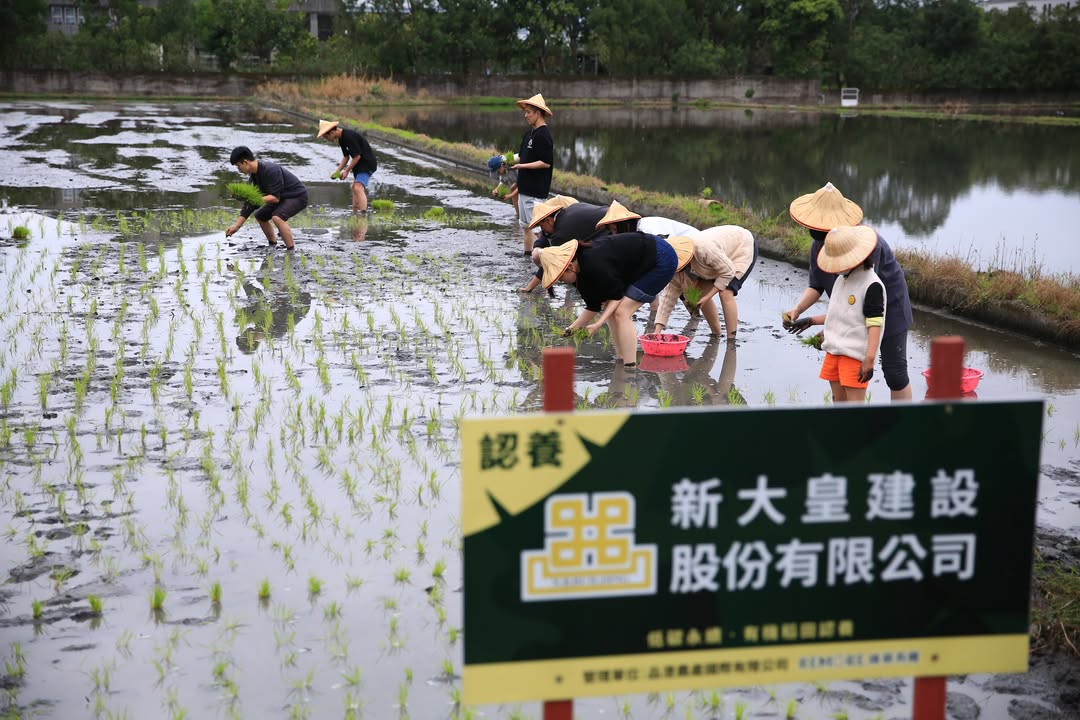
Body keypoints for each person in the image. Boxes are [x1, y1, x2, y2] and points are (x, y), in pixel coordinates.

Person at [783, 182, 913, 400]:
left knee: (894, 372)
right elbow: (817, 286)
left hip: (887, 309)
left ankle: (902, 427)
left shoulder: (867, 246)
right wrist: (798, 310)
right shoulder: (822, 246)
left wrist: (832, 328)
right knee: (842, 374)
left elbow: (866, 305)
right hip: (849, 311)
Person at [538, 230, 680, 367]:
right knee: (610, 308)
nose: (561, 282)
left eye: (561, 278)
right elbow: (594, 306)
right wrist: (572, 328)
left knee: (622, 312)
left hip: (661, 258)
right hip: (641, 261)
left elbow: (616, 297)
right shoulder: (580, 274)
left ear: (569, 267)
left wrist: (598, 324)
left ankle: (629, 367)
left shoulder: (594, 263)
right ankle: (620, 356)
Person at [793, 225, 886, 403]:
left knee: (853, 410)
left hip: (854, 356)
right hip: (835, 352)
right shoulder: (842, 281)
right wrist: (812, 321)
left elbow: (874, 323)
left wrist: (869, 359)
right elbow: (841, 314)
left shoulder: (871, 284)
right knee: (838, 404)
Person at [653, 225, 757, 340]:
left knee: (725, 292)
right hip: (718, 258)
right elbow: (668, 298)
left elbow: (728, 272)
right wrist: (657, 332)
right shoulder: (674, 267)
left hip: (741, 245)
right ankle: (716, 334)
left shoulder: (704, 249)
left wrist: (708, 296)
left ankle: (731, 339)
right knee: (699, 292)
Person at [225, 146, 308, 250]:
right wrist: (236, 226)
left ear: (245, 162)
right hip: (282, 198)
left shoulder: (270, 170)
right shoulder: (253, 178)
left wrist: (253, 198)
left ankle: (291, 250)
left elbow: (275, 198)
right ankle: (272, 244)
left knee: (277, 217)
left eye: (238, 166)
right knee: (261, 215)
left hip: (297, 196)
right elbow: (249, 205)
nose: (239, 170)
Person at [518, 196, 608, 293]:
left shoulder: (560, 234)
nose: (542, 229)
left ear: (549, 220)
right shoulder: (567, 211)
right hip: (613, 213)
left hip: (613, 226)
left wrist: (530, 287)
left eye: (541, 226)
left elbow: (550, 262)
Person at [511, 93, 554, 255]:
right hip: (525, 187)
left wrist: (521, 166)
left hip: (536, 190)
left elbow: (545, 162)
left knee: (537, 227)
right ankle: (527, 255)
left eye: (529, 112)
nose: (525, 115)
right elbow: (521, 156)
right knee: (525, 225)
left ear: (538, 113)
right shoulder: (529, 134)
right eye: (525, 112)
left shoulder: (544, 135)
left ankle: (547, 258)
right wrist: (506, 160)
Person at [317, 120, 378, 215]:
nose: (327, 139)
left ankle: (363, 216)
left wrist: (346, 171)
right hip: (359, 165)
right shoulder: (341, 138)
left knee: (358, 188)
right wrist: (337, 172)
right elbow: (346, 157)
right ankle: (355, 213)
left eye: (326, 137)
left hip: (366, 164)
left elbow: (357, 156)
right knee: (354, 187)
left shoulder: (349, 136)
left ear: (332, 132)